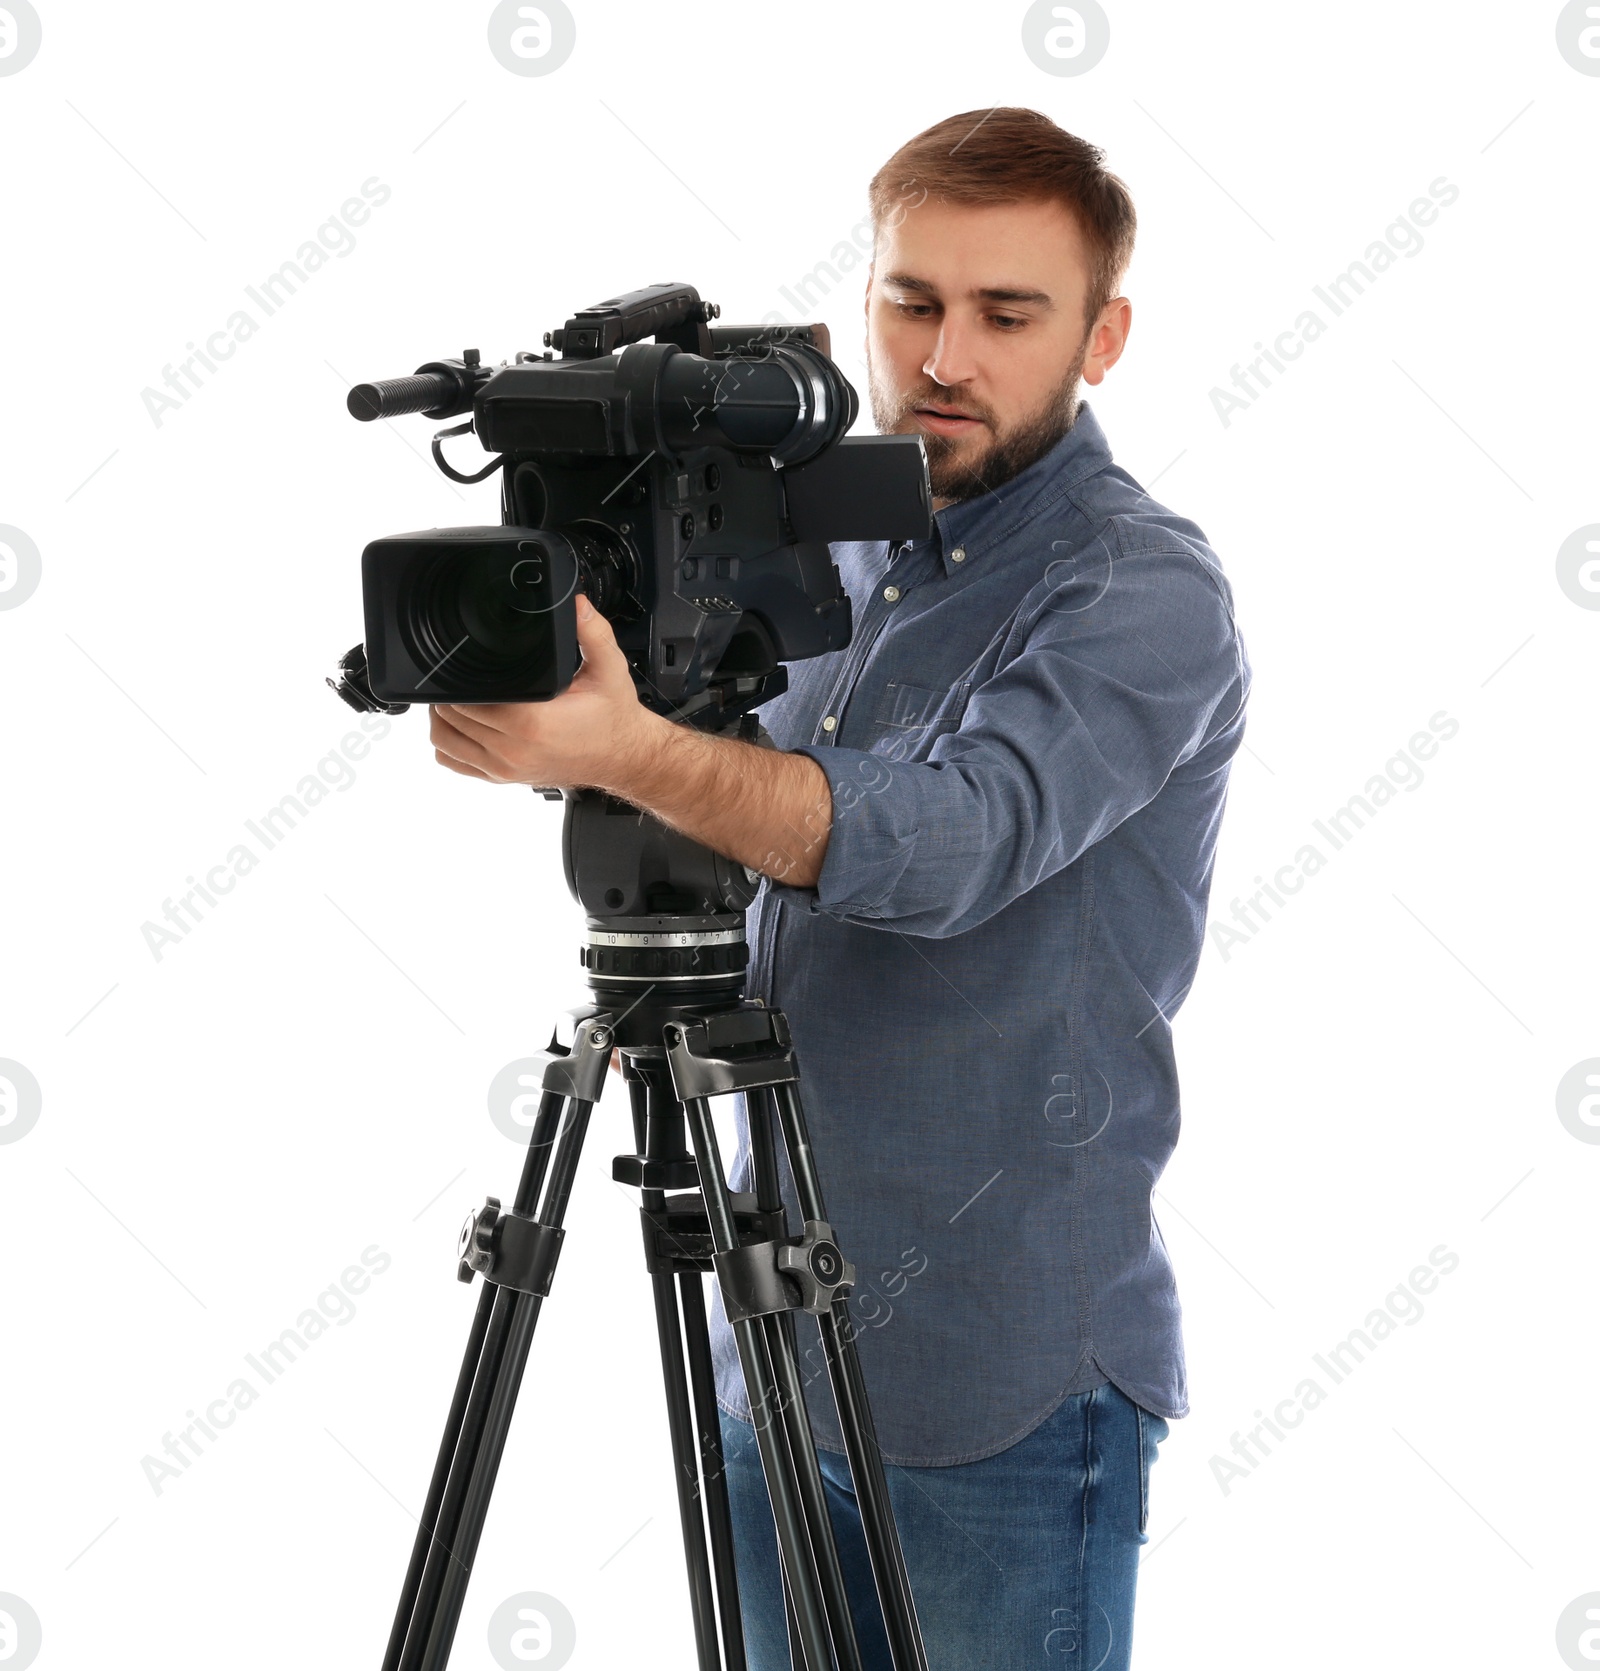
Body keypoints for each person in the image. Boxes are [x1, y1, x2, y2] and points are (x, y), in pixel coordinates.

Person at [428, 106, 1250, 1671]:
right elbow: (733, 802)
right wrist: (583, 711)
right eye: (912, 300)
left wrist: (637, 752)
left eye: (1008, 313)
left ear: (1105, 335)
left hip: (993, 1387)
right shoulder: (823, 549)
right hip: (769, 1344)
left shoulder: (1138, 588)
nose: (946, 354)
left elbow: (947, 846)